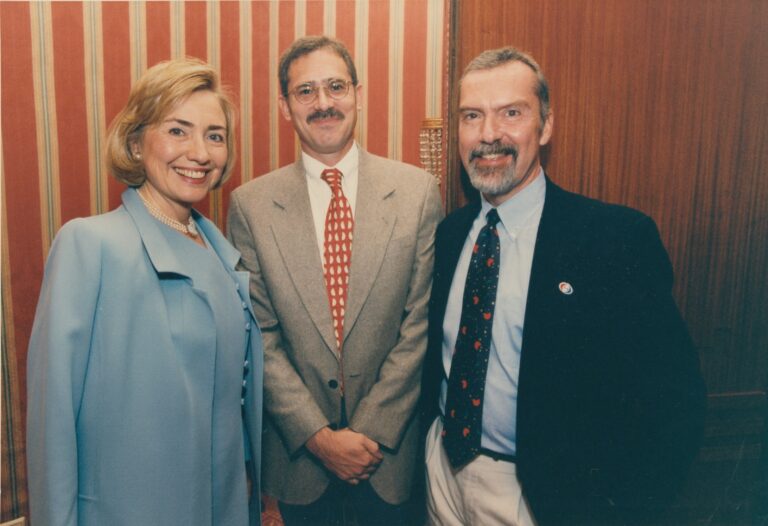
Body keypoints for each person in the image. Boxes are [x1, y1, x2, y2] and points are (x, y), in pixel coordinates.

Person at [421, 46, 707, 525]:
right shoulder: (450, 234)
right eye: (472, 116)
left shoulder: (615, 240)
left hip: (540, 496)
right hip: (441, 475)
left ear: (546, 126)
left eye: (511, 113)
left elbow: (675, 401)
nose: (489, 134)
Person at [26, 58, 263, 526]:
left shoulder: (221, 253)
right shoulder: (89, 245)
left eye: (214, 135)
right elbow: (52, 418)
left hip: (222, 507)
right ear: (136, 143)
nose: (199, 152)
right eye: (178, 130)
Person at [227, 36, 442, 525]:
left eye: (336, 87)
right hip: (302, 462)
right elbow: (259, 335)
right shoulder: (250, 206)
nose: (323, 103)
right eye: (306, 91)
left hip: (388, 460)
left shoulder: (417, 193)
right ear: (285, 107)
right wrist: (321, 439)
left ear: (358, 94)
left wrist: (366, 435)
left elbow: (418, 328)